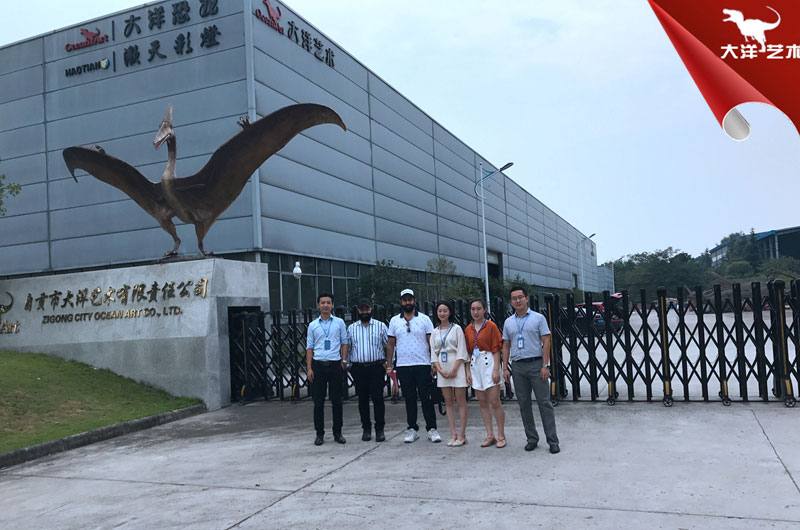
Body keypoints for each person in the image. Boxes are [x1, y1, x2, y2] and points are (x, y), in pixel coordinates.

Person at [501, 286, 560, 453]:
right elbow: (506, 345)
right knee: (523, 403)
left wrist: (545, 365)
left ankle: (552, 440)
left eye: (520, 297)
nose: (517, 301)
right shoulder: (508, 322)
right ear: (511, 301)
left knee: (544, 403)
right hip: (518, 366)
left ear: (526, 298)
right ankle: (532, 438)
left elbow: (546, 341)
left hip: (536, 364)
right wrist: (505, 368)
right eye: (514, 298)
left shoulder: (538, 318)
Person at [386, 289, 442, 443]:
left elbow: (431, 342)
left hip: (422, 364)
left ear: (414, 301)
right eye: (405, 300)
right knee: (409, 399)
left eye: (410, 299)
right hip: (403, 365)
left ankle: (432, 428)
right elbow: (390, 344)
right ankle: (412, 429)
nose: (407, 302)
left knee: (426, 398)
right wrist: (389, 365)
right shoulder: (394, 321)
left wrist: (434, 362)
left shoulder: (424, 319)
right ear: (401, 302)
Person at [306, 293, 348, 446]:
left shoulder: (339, 323)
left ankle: (338, 432)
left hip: (335, 364)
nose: (325, 305)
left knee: (337, 401)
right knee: (318, 402)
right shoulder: (313, 325)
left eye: (328, 302)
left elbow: (344, 342)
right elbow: (309, 347)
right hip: (318, 365)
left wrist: (344, 361)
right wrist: (309, 368)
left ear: (332, 305)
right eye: (323, 302)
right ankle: (319, 433)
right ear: (318, 305)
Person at [464, 298, 506, 448]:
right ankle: (490, 435)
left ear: (484, 310)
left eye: (479, 309)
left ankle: (501, 435)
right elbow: (468, 352)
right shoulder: (468, 329)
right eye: (473, 309)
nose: (476, 312)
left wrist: (496, 369)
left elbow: (497, 349)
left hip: (489, 362)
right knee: (482, 402)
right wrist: (468, 371)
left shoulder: (491, 326)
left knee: (495, 401)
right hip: (475, 364)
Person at [347, 299, 389, 442]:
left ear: (371, 310)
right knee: (362, 399)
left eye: (367, 309)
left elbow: (389, 345)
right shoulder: (351, 328)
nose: (364, 312)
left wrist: (388, 363)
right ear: (358, 311)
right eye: (362, 309)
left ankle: (380, 429)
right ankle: (366, 428)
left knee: (378, 398)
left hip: (376, 367)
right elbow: (348, 347)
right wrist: (348, 365)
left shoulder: (380, 326)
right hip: (359, 368)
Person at [430, 300, 469, 446]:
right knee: (448, 401)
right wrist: (439, 369)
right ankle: (453, 433)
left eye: (445, 311)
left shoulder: (456, 329)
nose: (442, 313)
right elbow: (433, 353)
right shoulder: (435, 331)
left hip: (456, 366)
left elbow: (462, 350)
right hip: (442, 368)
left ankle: (462, 435)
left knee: (460, 401)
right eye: (440, 311)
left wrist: (455, 369)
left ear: (450, 312)